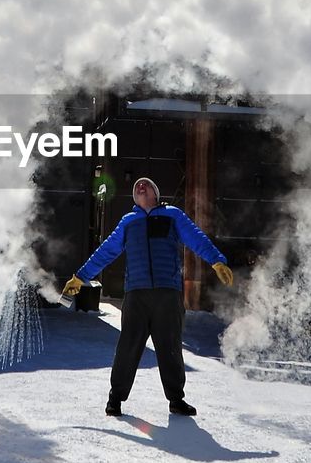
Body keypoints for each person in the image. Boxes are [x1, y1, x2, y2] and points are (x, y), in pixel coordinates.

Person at [64, 176, 234, 417]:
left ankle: (176, 400)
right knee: (128, 347)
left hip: (168, 293)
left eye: (146, 184)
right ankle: (115, 399)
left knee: (171, 347)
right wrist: (81, 277)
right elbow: (106, 252)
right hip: (136, 294)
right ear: (134, 198)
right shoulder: (128, 222)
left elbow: (195, 237)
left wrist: (216, 260)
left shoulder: (172, 215)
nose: (140, 186)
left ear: (155, 193)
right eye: (136, 186)